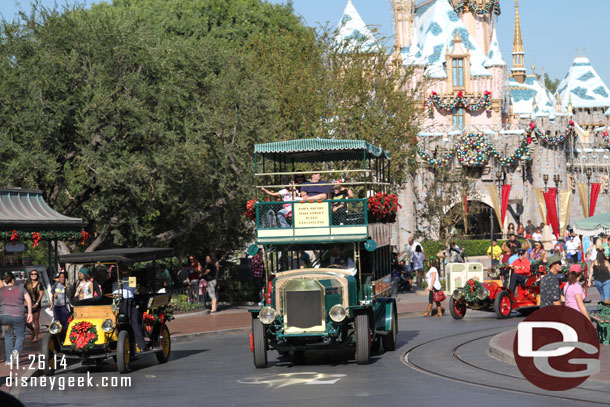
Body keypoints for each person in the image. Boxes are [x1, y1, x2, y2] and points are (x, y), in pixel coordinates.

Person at [112, 263, 147, 352]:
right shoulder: (115, 283)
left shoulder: (131, 281)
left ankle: (141, 344)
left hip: (129, 303)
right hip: (119, 304)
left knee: (135, 322)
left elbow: (133, 291)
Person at [0, 272, 33, 365]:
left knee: (8, 337)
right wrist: (30, 313)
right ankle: (16, 350)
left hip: (4, 316)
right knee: (20, 336)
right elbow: (28, 300)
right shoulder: (21, 288)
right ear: (13, 280)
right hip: (18, 315)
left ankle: (9, 360)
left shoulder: (1, 290)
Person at [49, 272, 71, 338]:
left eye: (63, 277)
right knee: (57, 321)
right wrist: (54, 293)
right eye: (60, 277)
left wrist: (67, 287)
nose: (61, 279)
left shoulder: (68, 286)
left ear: (66, 278)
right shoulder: (56, 284)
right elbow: (52, 290)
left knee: (65, 321)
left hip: (64, 306)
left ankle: (66, 336)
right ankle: (59, 336)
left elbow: (70, 294)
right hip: (57, 306)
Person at [24, 270, 43, 342]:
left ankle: (36, 336)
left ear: (37, 275)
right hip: (28, 305)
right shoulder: (27, 284)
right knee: (27, 321)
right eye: (32, 274)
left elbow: (41, 295)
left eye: (35, 274)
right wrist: (24, 301)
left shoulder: (39, 284)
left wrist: (37, 303)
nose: (33, 275)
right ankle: (33, 330)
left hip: (36, 305)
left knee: (35, 321)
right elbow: (23, 293)